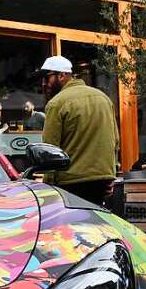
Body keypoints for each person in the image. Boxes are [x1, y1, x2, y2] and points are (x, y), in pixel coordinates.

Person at [40, 55, 119, 206]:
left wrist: (47, 185)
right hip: (101, 182)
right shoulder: (104, 98)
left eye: (47, 78)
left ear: (62, 75)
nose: (44, 84)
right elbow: (115, 140)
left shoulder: (56, 103)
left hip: (69, 183)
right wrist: (111, 174)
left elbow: (49, 151)